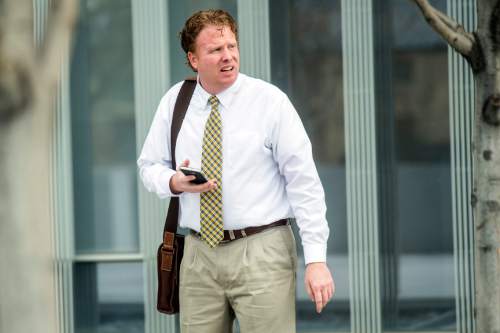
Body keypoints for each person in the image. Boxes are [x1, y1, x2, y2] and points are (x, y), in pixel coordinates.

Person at [137, 9, 334, 333]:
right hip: (199, 254)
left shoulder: (270, 102)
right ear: (193, 59)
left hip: (261, 250)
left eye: (231, 46)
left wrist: (316, 259)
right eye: (215, 50)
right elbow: (148, 165)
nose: (228, 56)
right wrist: (173, 181)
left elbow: (305, 184)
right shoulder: (175, 102)